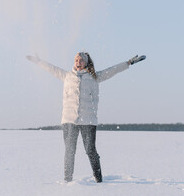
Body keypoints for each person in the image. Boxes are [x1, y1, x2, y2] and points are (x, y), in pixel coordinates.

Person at [26, 52, 145, 182]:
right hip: (69, 120)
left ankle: (99, 179)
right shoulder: (67, 76)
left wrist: (128, 63)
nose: (78, 62)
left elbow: (112, 70)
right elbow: (52, 68)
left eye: (81, 60)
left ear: (87, 62)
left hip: (88, 120)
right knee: (69, 151)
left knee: (90, 151)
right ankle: (67, 180)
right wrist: (38, 61)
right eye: (76, 59)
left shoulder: (95, 77)